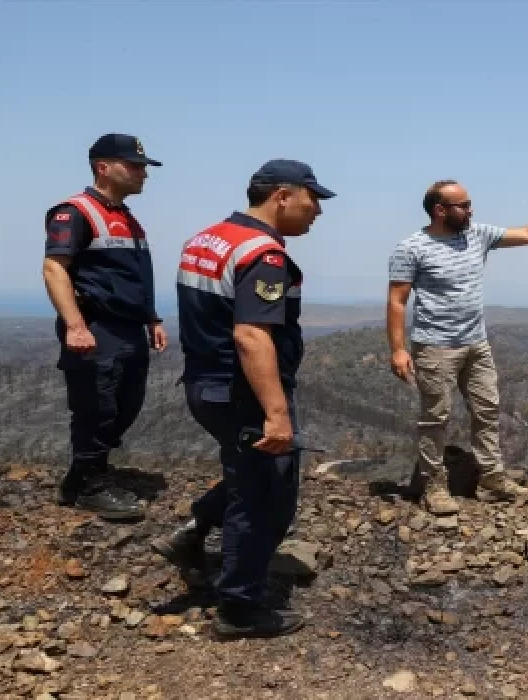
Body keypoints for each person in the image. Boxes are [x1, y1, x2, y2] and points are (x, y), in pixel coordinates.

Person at [156, 159, 333, 640]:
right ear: (282, 195)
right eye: (312, 199)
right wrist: (277, 414)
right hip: (244, 392)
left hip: (204, 383)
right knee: (266, 500)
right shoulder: (264, 255)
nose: (317, 211)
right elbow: (252, 335)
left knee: (245, 472)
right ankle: (239, 609)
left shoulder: (207, 238)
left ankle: (193, 533)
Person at [386, 179, 528, 515]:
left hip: (476, 343)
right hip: (435, 347)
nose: (471, 210)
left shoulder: (476, 235)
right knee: (434, 418)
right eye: (463, 205)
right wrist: (398, 348)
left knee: (487, 410)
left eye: (469, 204)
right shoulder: (411, 248)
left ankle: (492, 480)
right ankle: (433, 485)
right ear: (440, 210)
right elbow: (397, 301)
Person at [42, 133, 167, 522]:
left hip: (129, 328)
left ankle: (83, 475)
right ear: (103, 167)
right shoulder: (74, 212)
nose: (142, 173)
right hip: (97, 326)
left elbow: (131, 277)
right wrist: (76, 326)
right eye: (134, 165)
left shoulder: (127, 218)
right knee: (97, 404)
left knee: (126, 404)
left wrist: (152, 317)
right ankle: (90, 485)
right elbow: (54, 269)